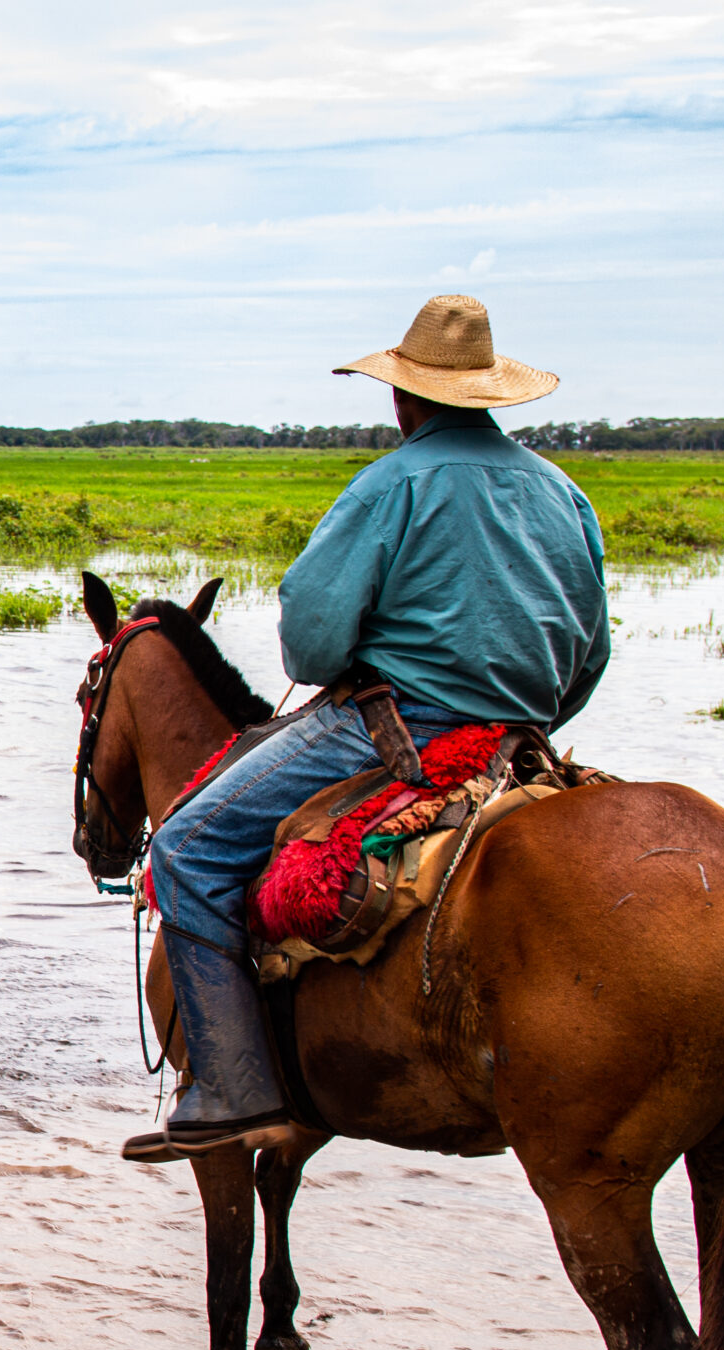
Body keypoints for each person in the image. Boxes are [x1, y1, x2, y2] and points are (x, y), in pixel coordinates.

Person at [132, 295, 608, 1163]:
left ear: (403, 398)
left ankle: (232, 1085)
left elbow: (311, 646)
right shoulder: (564, 493)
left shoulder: (393, 483)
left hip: (396, 726)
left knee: (187, 846)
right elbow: (590, 655)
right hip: (519, 738)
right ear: (493, 396)